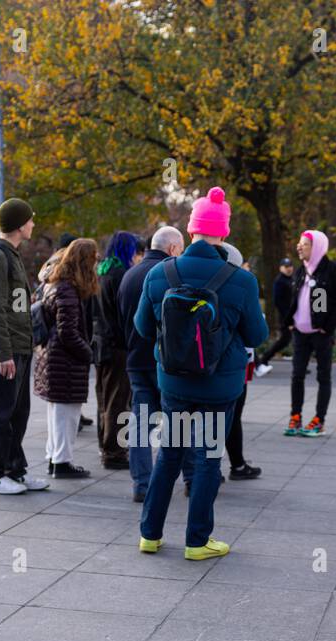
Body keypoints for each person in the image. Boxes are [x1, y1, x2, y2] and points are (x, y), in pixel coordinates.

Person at [133, 187, 269, 559]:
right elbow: (257, 335)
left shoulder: (160, 274)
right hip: (218, 386)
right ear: (223, 234)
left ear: (191, 231)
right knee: (208, 459)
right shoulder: (240, 281)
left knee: (170, 455)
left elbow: (143, 327)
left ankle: (150, 534)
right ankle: (197, 541)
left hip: (173, 382)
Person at [0, 197, 49, 494]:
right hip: (3, 349)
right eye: (29, 220)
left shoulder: (12, 254)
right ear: (19, 225)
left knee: (17, 412)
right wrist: (2, 353)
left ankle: (14, 469)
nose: (33, 224)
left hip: (19, 345)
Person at [118, 226, 191, 503]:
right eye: (180, 248)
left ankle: (142, 483)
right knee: (179, 421)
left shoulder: (129, 275)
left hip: (135, 359)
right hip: (165, 361)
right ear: (172, 249)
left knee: (139, 422)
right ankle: (189, 478)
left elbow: (121, 319)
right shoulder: (168, 275)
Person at [34, 238, 97, 478]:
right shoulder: (68, 290)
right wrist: (87, 353)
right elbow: (68, 332)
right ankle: (62, 461)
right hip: (65, 361)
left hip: (53, 358)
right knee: (66, 415)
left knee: (57, 413)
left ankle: (55, 458)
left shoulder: (55, 284)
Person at [281, 229, 336, 436]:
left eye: (304, 244)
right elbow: (296, 299)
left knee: (323, 377)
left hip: (321, 334)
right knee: (297, 376)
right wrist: (290, 321)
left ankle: (319, 420)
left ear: (317, 247)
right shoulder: (301, 270)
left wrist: (326, 327)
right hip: (300, 333)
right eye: (299, 244)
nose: (299, 247)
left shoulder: (331, 271)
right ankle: (295, 417)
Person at [93, 231, 139, 469]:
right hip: (117, 345)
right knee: (118, 400)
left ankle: (106, 444)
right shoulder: (121, 274)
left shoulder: (102, 271)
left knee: (104, 397)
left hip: (101, 343)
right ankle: (114, 451)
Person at [219, 242, 261, 479]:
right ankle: (236, 464)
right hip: (234, 362)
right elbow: (256, 333)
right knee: (231, 415)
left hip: (191, 363)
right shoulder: (241, 285)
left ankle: (194, 473)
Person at [253, 257, 296, 377]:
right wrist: (288, 319)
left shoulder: (292, 279)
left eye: (290, 266)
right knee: (285, 340)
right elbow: (279, 302)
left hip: (293, 315)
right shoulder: (280, 281)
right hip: (286, 317)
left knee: (289, 340)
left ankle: (265, 359)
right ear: (281, 268)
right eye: (286, 267)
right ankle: (264, 358)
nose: (288, 269)